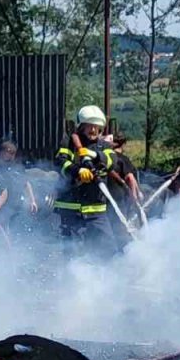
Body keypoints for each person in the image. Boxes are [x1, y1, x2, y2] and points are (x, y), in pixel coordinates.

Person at [53, 106, 117, 252]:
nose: (93, 130)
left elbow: (112, 161)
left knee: (108, 250)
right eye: (90, 126)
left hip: (96, 212)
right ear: (81, 126)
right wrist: (77, 170)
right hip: (70, 211)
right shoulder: (68, 143)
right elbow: (60, 163)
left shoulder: (103, 146)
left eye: (96, 127)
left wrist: (94, 155)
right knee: (73, 254)